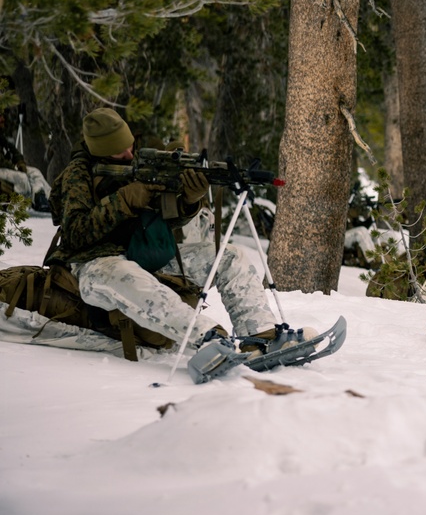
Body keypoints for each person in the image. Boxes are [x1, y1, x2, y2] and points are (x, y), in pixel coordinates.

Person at [45, 108, 313, 382]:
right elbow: (76, 232)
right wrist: (123, 200)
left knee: (229, 256)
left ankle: (261, 337)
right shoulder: (76, 176)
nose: (128, 155)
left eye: (130, 147)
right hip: (93, 266)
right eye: (119, 153)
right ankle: (208, 339)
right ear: (100, 151)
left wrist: (189, 200)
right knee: (128, 277)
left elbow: (163, 221)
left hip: (142, 254)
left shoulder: (139, 163)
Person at [0, 131, 51, 213]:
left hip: (8, 168)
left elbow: (15, 152)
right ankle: (22, 205)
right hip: (3, 168)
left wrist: (20, 162)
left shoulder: (2, 138)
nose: (2, 119)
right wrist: (14, 167)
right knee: (21, 177)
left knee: (35, 172)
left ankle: (42, 198)